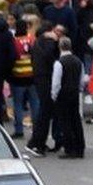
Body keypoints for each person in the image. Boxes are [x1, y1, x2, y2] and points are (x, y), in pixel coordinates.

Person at [25, 23, 61, 156]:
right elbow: (51, 56)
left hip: (40, 78)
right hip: (46, 78)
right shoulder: (47, 43)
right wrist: (55, 41)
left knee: (44, 112)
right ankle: (36, 143)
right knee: (45, 112)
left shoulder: (37, 43)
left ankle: (37, 141)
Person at [51, 37, 85, 159]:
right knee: (76, 120)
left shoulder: (59, 63)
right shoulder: (78, 61)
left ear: (59, 47)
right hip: (74, 93)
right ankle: (80, 148)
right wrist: (80, 89)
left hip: (63, 94)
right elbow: (82, 79)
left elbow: (56, 82)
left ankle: (69, 148)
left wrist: (54, 95)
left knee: (65, 121)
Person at [8, 19, 38, 138]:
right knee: (35, 103)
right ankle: (37, 128)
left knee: (18, 104)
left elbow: (10, 57)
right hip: (32, 75)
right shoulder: (32, 40)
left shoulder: (14, 41)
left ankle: (19, 130)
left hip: (18, 76)